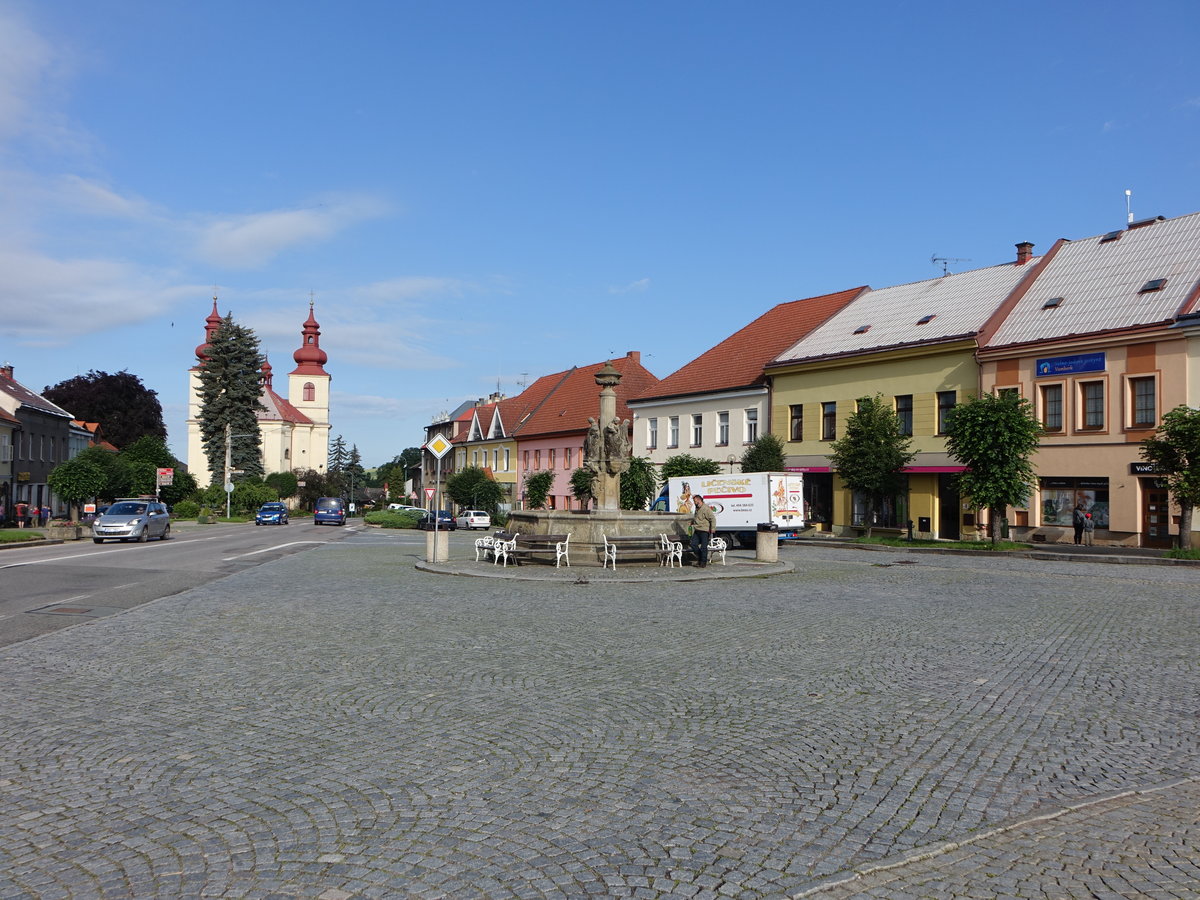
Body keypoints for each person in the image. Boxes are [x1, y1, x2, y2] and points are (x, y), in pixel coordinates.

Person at [690, 494, 717, 568]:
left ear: (699, 500)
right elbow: (696, 517)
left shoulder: (706, 509)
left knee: (703, 547)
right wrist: (692, 522)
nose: (694, 503)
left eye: (695, 501)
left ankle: (703, 562)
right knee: (693, 544)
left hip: (704, 530)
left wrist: (713, 528)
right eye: (694, 501)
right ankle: (700, 558)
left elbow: (712, 519)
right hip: (697, 529)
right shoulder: (697, 508)